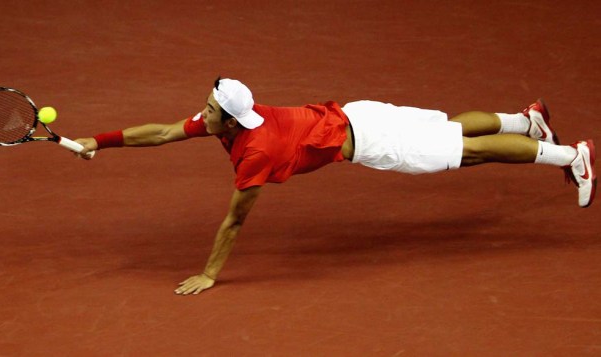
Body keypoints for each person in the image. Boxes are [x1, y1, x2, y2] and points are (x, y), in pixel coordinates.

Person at [74, 77, 596, 295]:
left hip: (372, 142)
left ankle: (572, 156)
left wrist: (211, 273)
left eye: (209, 110)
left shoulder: (256, 153)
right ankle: (528, 122)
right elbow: (163, 133)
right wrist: (99, 140)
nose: (200, 114)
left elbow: (235, 218)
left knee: (469, 151)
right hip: (359, 111)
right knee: (453, 130)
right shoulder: (236, 119)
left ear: (230, 121)